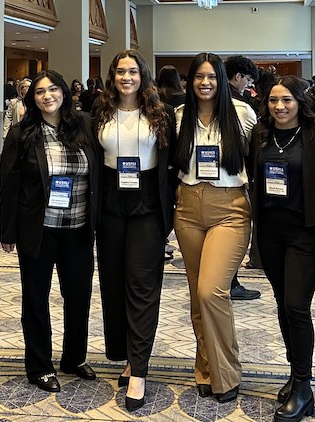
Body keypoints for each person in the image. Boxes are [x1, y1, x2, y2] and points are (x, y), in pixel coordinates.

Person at [0, 70, 99, 393]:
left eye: (53, 89)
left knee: (79, 296)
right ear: (32, 98)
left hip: (79, 228)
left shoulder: (84, 125)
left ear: (64, 93)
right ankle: (39, 366)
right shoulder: (21, 133)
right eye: (40, 92)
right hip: (38, 230)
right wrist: (8, 231)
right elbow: (9, 185)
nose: (47, 96)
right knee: (36, 299)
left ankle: (74, 358)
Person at [94, 51, 176, 410]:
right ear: (112, 76)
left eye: (132, 71)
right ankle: (127, 354)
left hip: (148, 205)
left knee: (141, 286)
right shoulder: (99, 111)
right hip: (110, 203)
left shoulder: (162, 113)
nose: (126, 77)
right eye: (119, 72)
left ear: (143, 75)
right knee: (113, 283)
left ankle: (139, 369)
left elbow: (171, 165)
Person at [173, 53, 257, 403]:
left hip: (230, 208)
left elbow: (260, 159)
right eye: (198, 77)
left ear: (222, 80)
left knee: (212, 291)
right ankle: (205, 368)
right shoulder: (179, 116)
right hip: (189, 207)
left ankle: (226, 373)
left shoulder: (243, 114)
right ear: (190, 82)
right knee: (197, 296)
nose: (205, 83)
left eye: (211, 77)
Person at [248, 76, 315, 421]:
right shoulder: (260, 135)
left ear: (300, 101)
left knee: (297, 305)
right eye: (273, 101)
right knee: (283, 304)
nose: (279, 107)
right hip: (270, 232)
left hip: (305, 233)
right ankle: (295, 375)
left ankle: (305, 386)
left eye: (287, 100)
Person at [223, 55, 262, 301]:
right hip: (235, 181)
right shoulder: (241, 107)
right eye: (247, 79)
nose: (248, 84)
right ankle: (231, 281)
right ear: (237, 76)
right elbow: (253, 145)